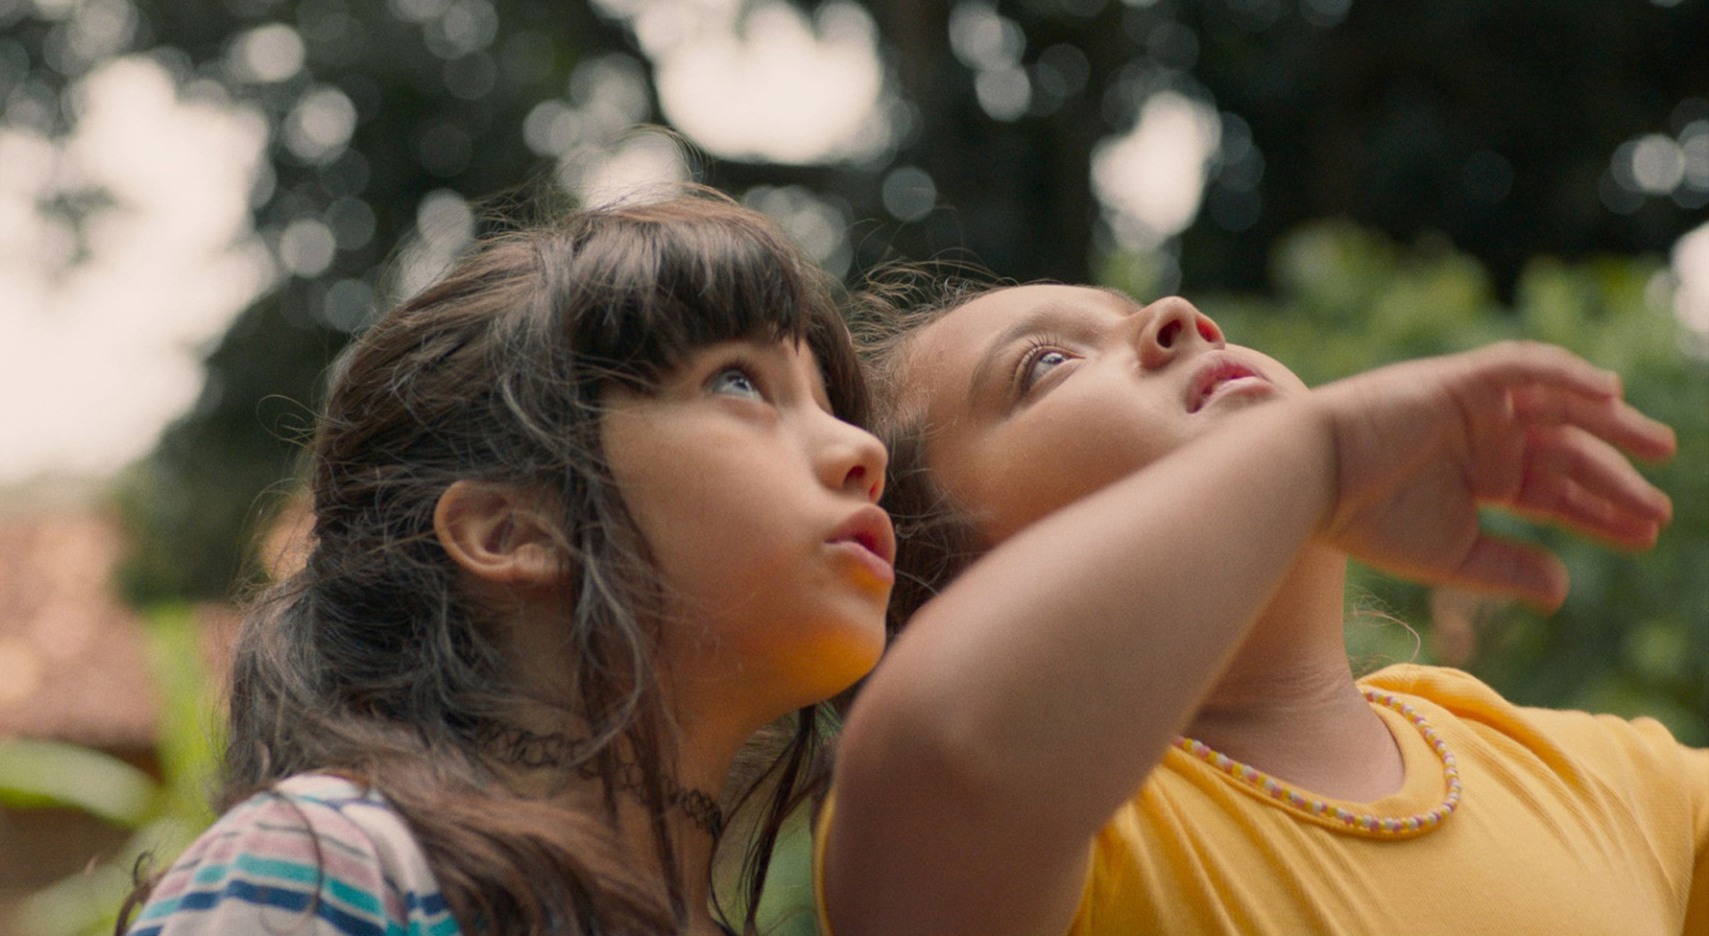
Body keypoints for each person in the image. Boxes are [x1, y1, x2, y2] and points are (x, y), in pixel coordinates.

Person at [816, 282, 1708, 934]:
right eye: (1046, 365)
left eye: (1134, 309)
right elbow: (949, 752)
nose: (1175, 315)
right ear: (948, 592)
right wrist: (1320, 454)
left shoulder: (1598, 775)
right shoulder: (1053, 852)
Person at [122, 190, 897, 936]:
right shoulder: (331, 869)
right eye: (740, 382)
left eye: (830, 404)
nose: (863, 450)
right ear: (511, 531)